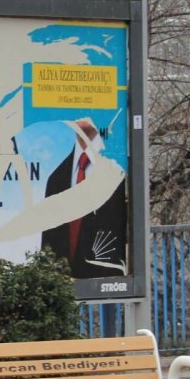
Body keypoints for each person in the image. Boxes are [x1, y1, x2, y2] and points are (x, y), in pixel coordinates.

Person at [40, 119, 127, 278]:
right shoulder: (56, 179)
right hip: (66, 294)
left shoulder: (120, 169)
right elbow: (49, 248)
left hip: (111, 290)